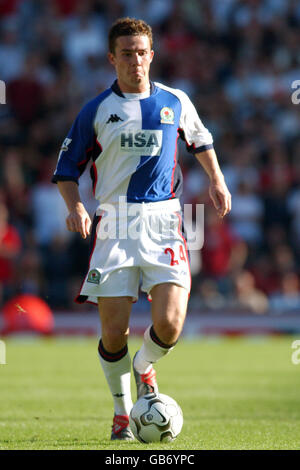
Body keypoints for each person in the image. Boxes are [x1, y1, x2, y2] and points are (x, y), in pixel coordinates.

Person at [52, 17, 231, 441]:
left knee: (169, 324)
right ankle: (121, 412)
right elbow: (65, 170)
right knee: (114, 331)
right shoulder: (96, 110)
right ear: (112, 59)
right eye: (127, 54)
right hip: (114, 222)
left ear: (152, 54)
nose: (136, 61)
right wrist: (75, 206)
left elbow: (201, 141)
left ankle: (144, 365)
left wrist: (217, 180)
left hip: (166, 221)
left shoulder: (175, 101)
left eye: (142, 52)